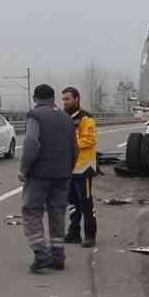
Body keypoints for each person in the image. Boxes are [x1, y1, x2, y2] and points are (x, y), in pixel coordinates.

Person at [19, 85, 78, 273]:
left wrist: (24, 169)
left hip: (39, 174)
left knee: (32, 212)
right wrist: (67, 168)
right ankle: (58, 256)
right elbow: (75, 149)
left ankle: (41, 254)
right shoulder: (67, 118)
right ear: (53, 98)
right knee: (57, 213)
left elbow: (30, 143)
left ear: (35, 97)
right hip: (62, 175)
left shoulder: (35, 115)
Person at [62, 87, 98, 247]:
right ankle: (74, 232)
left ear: (77, 99)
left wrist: (70, 144)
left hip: (84, 169)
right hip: (69, 169)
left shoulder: (86, 118)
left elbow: (90, 140)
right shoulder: (63, 117)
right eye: (63, 99)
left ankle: (90, 235)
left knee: (86, 203)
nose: (65, 102)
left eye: (67, 99)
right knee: (72, 203)